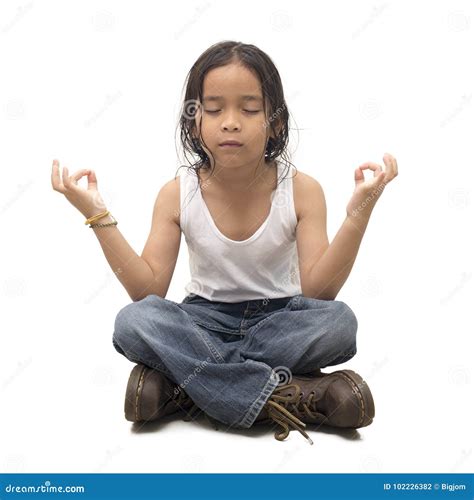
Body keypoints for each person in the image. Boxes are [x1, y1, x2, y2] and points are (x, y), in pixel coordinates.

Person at [51, 40, 398, 444]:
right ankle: (288, 393)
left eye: (249, 109)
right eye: (213, 109)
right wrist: (97, 215)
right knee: (134, 322)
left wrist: (359, 213)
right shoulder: (176, 193)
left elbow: (320, 292)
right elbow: (147, 291)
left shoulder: (302, 190)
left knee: (339, 322)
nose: (230, 122)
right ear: (193, 122)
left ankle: (188, 389)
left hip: (280, 320)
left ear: (276, 122)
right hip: (203, 322)